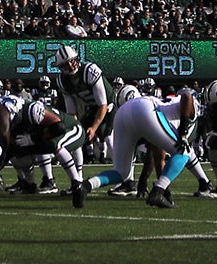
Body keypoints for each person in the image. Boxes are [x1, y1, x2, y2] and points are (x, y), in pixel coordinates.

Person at [68, 84, 196, 211]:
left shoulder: (165, 112)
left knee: (122, 172)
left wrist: (151, 181)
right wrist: (184, 132)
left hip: (122, 112)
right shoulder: (194, 104)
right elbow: (187, 97)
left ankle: (85, 186)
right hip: (147, 108)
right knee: (185, 152)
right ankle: (158, 191)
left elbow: (157, 153)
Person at [52, 44, 113, 194]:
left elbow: (103, 105)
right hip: (91, 109)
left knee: (108, 137)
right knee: (76, 135)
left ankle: (127, 181)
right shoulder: (62, 81)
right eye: (65, 64)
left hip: (110, 107)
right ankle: (77, 182)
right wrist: (76, 126)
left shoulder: (89, 71)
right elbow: (72, 111)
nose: (70, 65)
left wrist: (94, 128)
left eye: (72, 61)